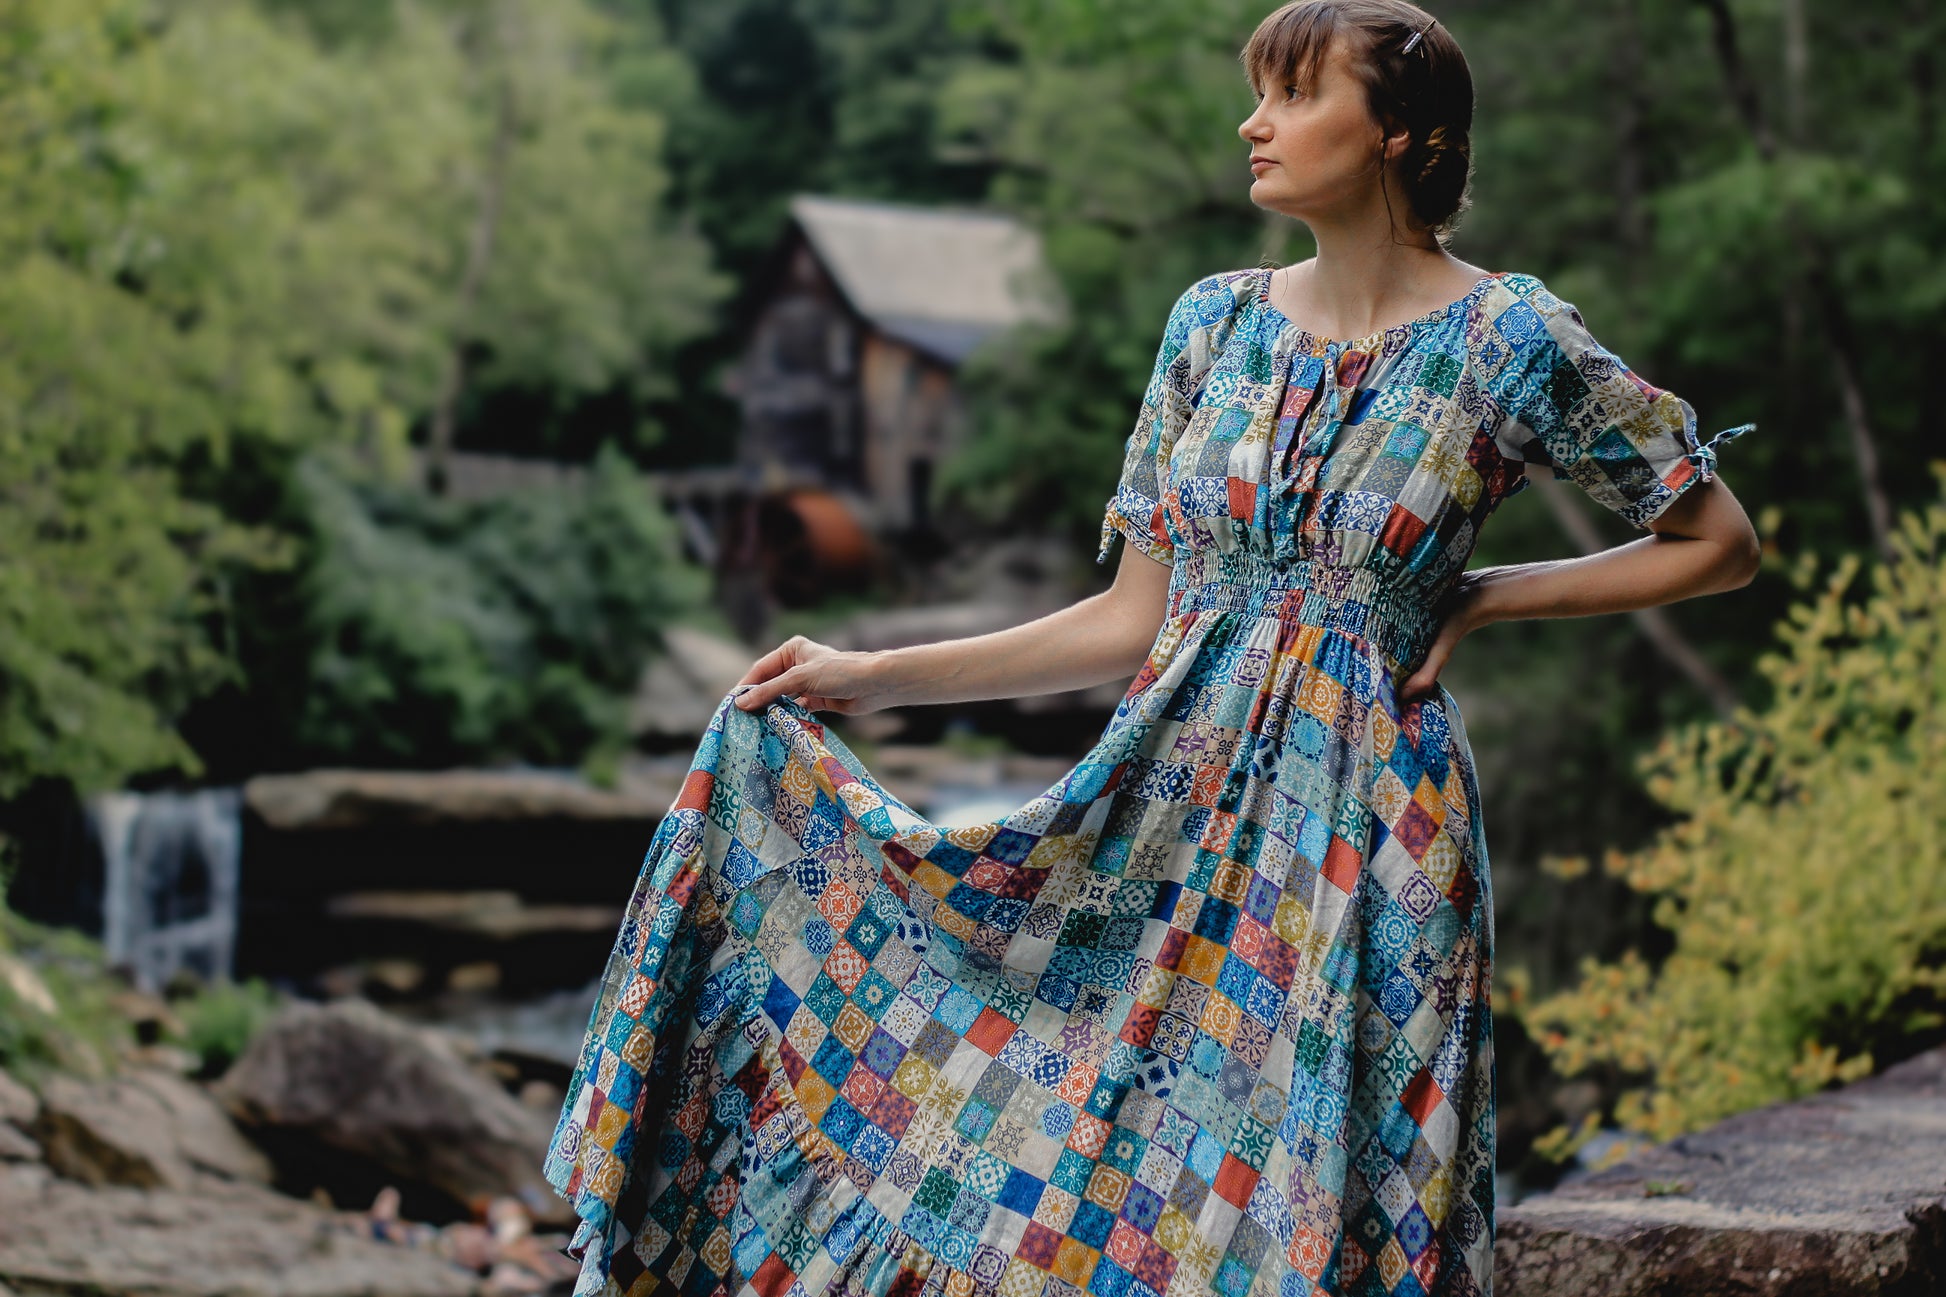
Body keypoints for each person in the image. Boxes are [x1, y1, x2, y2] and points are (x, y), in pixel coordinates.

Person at [541, 1, 1762, 1293]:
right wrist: (867, 674)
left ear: (1401, 134)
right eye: (1256, 92)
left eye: (1293, 94)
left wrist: (1483, 596)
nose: (1254, 122)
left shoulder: (1507, 339)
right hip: (1165, 820)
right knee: (1093, 1177)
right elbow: (1128, 620)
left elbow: (1714, 538)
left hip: (1371, 834)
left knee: (1333, 1194)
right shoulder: (1210, 328)